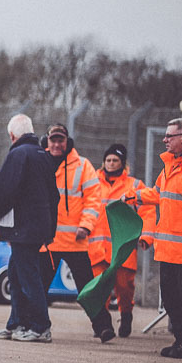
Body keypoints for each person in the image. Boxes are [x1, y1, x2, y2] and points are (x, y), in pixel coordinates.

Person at [0, 114, 59, 343]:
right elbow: (53, 196)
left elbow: (6, 191)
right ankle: (17, 323)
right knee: (16, 275)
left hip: (22, 229)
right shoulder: (43, 157)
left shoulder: (17, 154)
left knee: (27, 277)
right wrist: (50, 229)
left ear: (12, 135)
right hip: (36, 228)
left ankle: (41, 327)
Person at [39, 123, 115, 342]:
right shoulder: (40, 162)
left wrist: (86, 225)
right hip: (48, 242)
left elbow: (93, 200)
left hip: (75, 240)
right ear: (47, 141)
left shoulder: (83, 166)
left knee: (87, 289)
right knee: (40, 288)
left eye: (60, 140)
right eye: (53, 140)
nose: (56, 144)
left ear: (67, 142)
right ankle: (38, 325)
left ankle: (103, 328)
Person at [128, 118, 182, 358]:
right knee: (172, 302)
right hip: (168, 251)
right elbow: (157, 193)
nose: (164, 140)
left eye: (169, 136)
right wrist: (133, 197)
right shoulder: (170, 167)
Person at [89, 144, 155, 337]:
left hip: (122, 247)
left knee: (124, 286)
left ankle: (126, 315)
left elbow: (148, 212)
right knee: (99, 287)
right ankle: (102, 323)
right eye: (108, 160)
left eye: (115, 160)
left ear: (122, 163)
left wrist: (146, 236)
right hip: (97, 247)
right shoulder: (93, 182)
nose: (111, 164)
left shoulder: (134, 186)